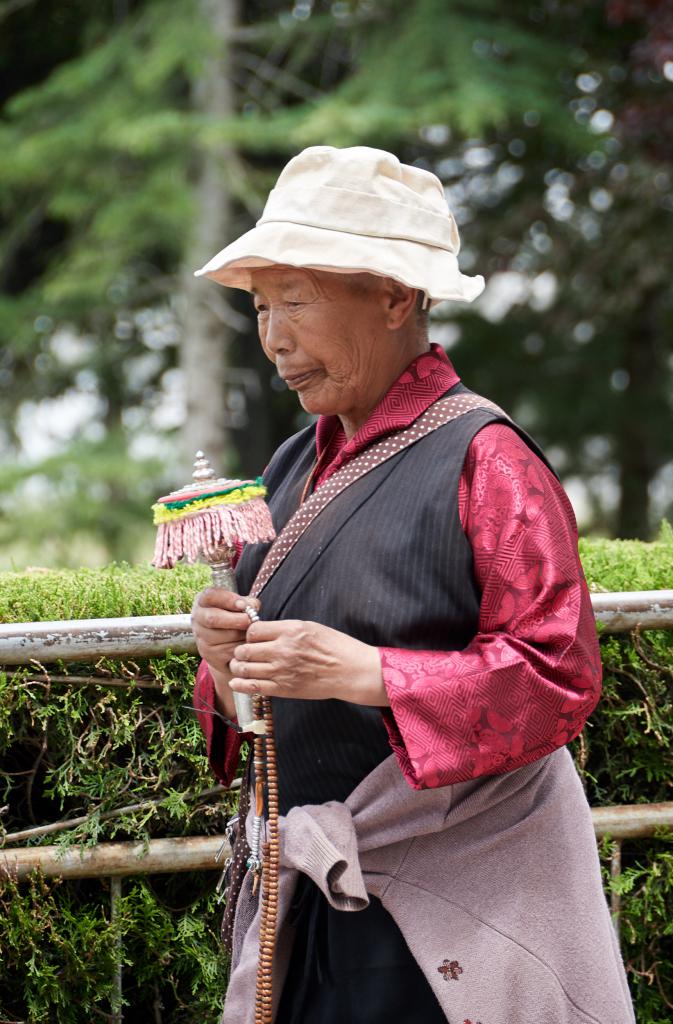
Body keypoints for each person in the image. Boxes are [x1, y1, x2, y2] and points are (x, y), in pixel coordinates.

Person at [190, 146, 634, 1024]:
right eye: (261, 306)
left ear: (396, 296)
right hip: (313, 899)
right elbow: (257, 701)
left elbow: (556, 677)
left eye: (298, 301)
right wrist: (221, 659)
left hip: (446, 904)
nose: (275, 338)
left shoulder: (488, 460)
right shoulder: (289, 466)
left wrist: (369, 674)